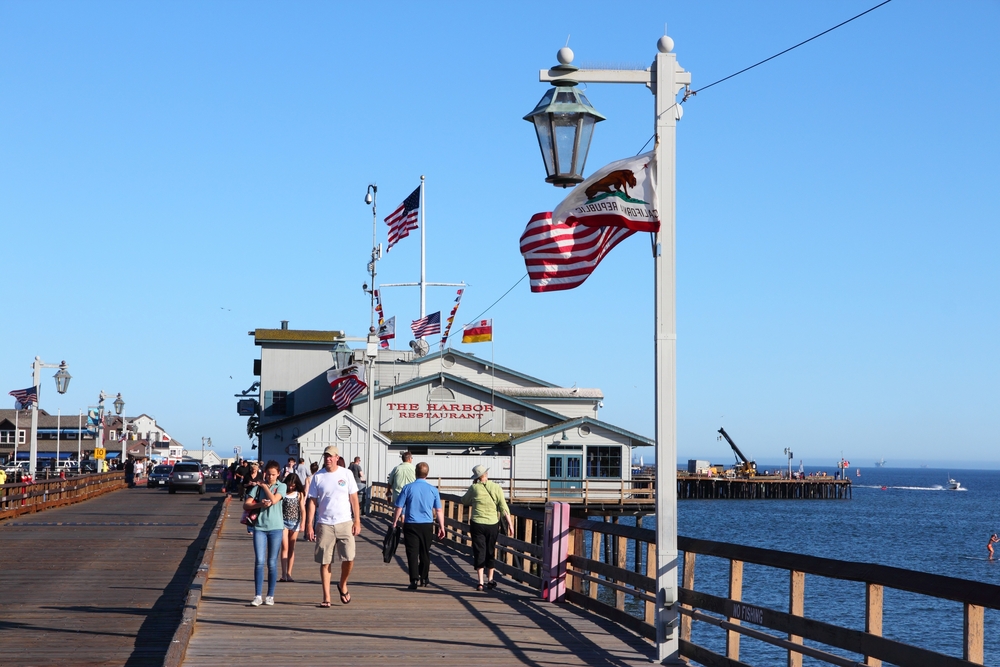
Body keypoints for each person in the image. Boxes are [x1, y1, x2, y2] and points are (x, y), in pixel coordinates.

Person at [305, 446, 361, 607]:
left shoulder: (346, 473)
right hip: (324, 523)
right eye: (326, 456)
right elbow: (312, 502)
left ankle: (342, 584)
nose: (328, 459)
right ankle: (326, 597)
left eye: (331, 456)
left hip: (345, 522)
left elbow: (354, 499)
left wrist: (357, 520)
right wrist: (309, 524)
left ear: (337, 457)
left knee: (349, 558)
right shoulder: (318, 477)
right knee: (325, 561)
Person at [391, 462, 445, 590]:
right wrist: (441, 527)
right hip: (427, 524)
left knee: (412, 553)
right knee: (425, 552)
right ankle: (424, 578)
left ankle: (414, 579)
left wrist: (394, 522)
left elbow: (399, 507)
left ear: (415, 472)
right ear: (427, 473)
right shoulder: (433, 490)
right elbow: (438, 510)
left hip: (411, 524)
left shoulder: (407, 488)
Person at [461, 464, 513, 591]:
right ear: (486, 474)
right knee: (490, 550)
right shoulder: (496, 487)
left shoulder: (474, 488)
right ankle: (490, 579)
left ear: (477, 477)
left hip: (477, 523)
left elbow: (464, 501)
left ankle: (480, 582)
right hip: (492, 524)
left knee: (479, 550)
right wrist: (510, 524)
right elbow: (503, 507)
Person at [243, 460, 286, 606]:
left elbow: (274, 500)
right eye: (268, 474)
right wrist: (260, 503)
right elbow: (246, 504)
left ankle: (270, 595)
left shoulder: (282, 486)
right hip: (260, 528)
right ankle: (257, 595)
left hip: (276, 528)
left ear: (278, 474)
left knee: (272, 562)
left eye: (273, 475)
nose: (270, 477)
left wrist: (265, 487)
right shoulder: (258, 487)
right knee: (259, 561)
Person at [280, 473, 306, 582]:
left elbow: (302, 510)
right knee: (285, 547)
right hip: (283, 522)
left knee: (291, 548)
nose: (291, 487)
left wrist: (303, 523)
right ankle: (283, 574)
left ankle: (289, 573)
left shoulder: (299, 494)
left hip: (295, 523)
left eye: (293, 485)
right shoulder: (282, 493)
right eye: (289, 485)